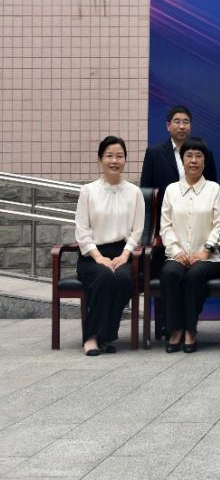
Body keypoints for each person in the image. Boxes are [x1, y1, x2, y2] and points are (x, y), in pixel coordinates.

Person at [74, 136, 146, 356]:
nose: (114, 161)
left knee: (123, 279)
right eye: (109, 156)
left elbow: (137, 230)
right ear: (100, 159)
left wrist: (125, 255)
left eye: (119, 156)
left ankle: (103, 334)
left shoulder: (134, 192)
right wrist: (98, 258)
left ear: (125, 160)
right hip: (92, 255)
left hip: (123, 254)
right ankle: (93, 337)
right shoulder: (88, 191)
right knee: (105, 276)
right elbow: (82, 231)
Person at [158, 138, 220, 353]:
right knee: (170, 274)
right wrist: (176, 252)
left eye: (198, 156)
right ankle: (175, 329)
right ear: (182, 160)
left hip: (208, 257)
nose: (193, 160)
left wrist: (205, 250)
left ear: (205, 161)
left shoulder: (214, 189)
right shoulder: (171, 190)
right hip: (177, 255)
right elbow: (165, 226)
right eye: (189, 156)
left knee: (194, 275)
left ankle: (190, 330)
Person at [140, 105, 217, 193]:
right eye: (177, 122)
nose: (182, 126)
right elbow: (146, 189)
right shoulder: (154, 153)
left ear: (190, 126)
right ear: (168, 126)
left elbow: (212, 186)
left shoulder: (204, 152)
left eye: (186, 122)